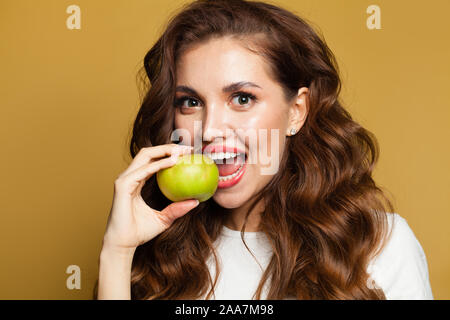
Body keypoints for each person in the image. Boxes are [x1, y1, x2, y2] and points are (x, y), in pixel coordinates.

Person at [95, 0, 433, 300]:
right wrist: (118, 252)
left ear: (296, 111)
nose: (210, 129)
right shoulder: (156, 249)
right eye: (191, 102)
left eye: (242, 99)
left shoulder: (378, 245)